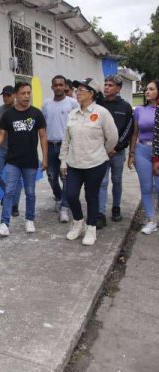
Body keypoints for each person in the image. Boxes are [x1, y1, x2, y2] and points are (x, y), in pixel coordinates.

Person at [59, 78, 118, 245]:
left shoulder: (102, 113)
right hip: (74, 163)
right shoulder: (73, 113)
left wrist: (101, 152)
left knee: (91, 196)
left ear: (91, 94)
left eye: (81, 90)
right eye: (77, 90)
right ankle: (78, 223)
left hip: (95, 164)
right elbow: (66, 140)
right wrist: (63, 161)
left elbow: (112, 138)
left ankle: (91, 228)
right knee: (71, 195)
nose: (77, 93)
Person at [0, 82, 47, 236]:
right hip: (13, 161)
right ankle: (4, 224)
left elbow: (43, 136)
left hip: (30, 161)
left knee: (30, 192)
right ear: (17, 95)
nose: (27, 96)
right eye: (23, 93)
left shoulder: (36, 114)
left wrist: (45, 158)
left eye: (29, 93)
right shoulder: (8, 115)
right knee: (9, 191)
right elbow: (1, 134)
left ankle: (29, 219)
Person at [96, 75, 134, 228]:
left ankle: (116, 207)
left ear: (118, 89)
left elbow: (128, 129)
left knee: (117, 180)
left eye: (110, 85)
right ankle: (100, 213)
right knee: (102, 182)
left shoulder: (125, 107)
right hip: (101, 152)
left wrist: (117, 147)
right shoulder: (99, 104)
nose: (106, 87)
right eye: (105, 84)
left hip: (117, 153)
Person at [42, 75, 79, 223]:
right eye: (55, 85)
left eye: (61, 85)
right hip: (51, 146)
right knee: (51, 176)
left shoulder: (73, 103)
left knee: (66, 177)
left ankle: (64, 207)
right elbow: (42, 128)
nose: (58, 87)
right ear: (52, 87)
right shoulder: (46, 104)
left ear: (65, 86)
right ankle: (58, 197)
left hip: (67, 146)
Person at [127, 79, 159, 234]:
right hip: (142, 151)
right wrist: (132, 154)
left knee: (158, 187)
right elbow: (135, 133)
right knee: (146, 188)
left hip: (158, 152)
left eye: (151, 89)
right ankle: (151, 220)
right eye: (146, 89)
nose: (147, 92)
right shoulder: (139, 110)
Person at [0, 85, 22, 216]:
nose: (5, 98)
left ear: (14, 95)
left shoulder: (20, 110)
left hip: (16, 151)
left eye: (8, 95)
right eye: (3, 95)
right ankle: (9, 194)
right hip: (1, 149)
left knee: (16, 179)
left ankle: (14, 205)